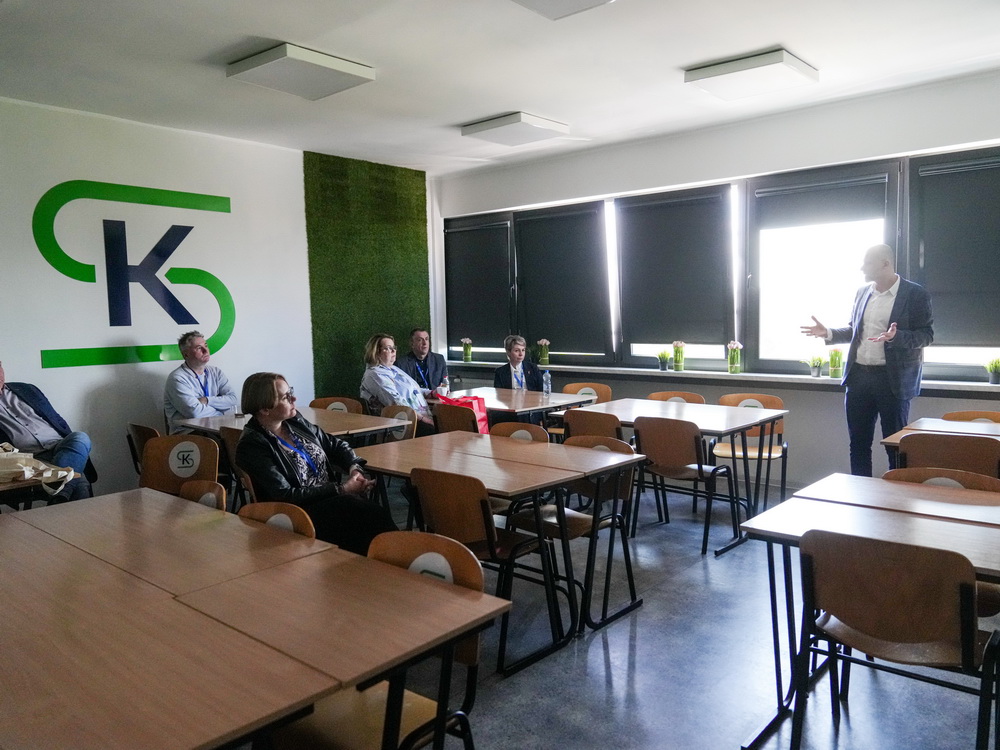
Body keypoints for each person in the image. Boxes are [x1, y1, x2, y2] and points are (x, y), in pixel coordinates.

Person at [801, 243, 933, 476]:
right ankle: (861, 494)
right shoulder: (863, 292)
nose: (862, 268)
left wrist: (896, 337)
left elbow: (926, 335)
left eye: (867, 263)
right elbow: (855, 330)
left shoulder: (915, 294)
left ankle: (897, 496)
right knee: (858, 445)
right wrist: (828, 333)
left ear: (885, 264)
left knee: (895, 447)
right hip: (859, 378)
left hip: (892, 382)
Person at [235, 372, 397, 555]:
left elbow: (335, 445)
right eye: (286, 397)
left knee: (368, 516)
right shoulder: (252, 445)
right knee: (369, 515)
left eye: (291, 392)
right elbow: (285, 495)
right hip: (298, 512)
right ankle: (396, 561)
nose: (294, 399)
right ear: (265, 409)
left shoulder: (295, 421)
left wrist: (354, 468)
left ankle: (390, 561)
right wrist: (341, 489)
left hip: (330, 500)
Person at [0, 360, 95, 501]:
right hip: (30, 459)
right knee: (80, 485)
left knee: (80, 437)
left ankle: (57, 491)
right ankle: (59, 495)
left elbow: (56, 419)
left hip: (62, 446)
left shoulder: (26, 389)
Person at [360, 333, 436, 436]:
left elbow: (413, 390)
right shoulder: (374, 375)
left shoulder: (393, 368)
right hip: (403, 423)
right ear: (376, 352)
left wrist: (431, 393)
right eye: (388, 348)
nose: (393, 351)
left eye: (394, 348)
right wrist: (423, 419)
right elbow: (396, 402)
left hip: (419, 417)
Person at [164, 331, 238, 433]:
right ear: (186, 354)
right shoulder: (177, 378)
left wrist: (207, 400)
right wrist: (222, 413)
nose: (205, 350)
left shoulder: (216, 372)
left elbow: (233, 400)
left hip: (216, 428)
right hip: (188, 433)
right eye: (199, 348)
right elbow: (195, 413)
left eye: (206, 346)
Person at [397, 328, 448, 394]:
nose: (425, 343)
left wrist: (444, 390)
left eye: (426, 339)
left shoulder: (439, 359)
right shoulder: (401, 363)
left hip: (435, 397)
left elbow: (444, 382)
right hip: (415, 398)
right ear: (412, 344)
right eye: (420, 340)